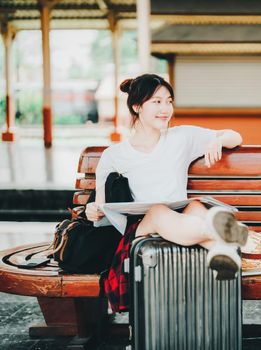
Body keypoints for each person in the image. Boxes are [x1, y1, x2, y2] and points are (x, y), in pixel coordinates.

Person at [85, 73, 248, 283]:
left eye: (169, 102)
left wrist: (218, 140)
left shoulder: (182, 137)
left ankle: (226, 254)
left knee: (195, 207)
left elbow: (236, 136)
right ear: (137, 106)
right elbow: (101, 208)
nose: (165, 109)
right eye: (157, 102)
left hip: (181, 220)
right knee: (158, 211)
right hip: (142, 231)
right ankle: (226, 234)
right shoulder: (113, 156)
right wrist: (93, 211)